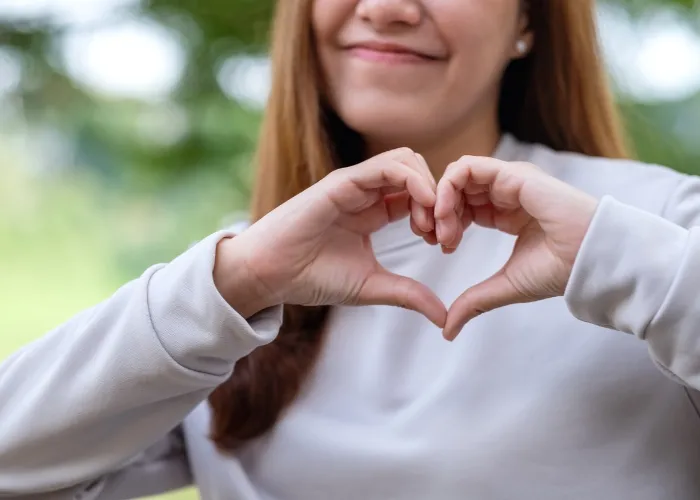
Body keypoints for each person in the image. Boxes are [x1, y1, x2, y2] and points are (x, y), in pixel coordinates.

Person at [2, 0, 700, 498]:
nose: (389, 7)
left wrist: (621, 261)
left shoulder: (659, 225)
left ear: (529, 20)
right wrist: (238, 278)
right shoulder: (236, 285)